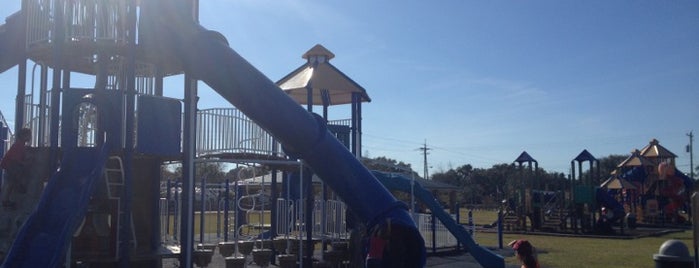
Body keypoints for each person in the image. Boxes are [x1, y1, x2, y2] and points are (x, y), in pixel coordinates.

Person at [0, 128, 32, 209]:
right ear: (23, 136)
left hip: (10, 165)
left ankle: (8, 197)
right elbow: (15, 160)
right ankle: (5, 200)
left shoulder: (20, 145)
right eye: (29, 135)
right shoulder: (19, 145)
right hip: (10, 165)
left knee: (11, 182)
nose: (30, 137)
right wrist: (25, 163)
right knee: (10, 182)